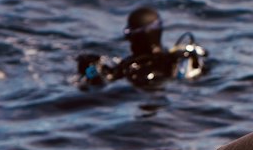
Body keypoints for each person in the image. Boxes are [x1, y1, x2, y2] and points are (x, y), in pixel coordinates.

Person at [77, 6, 207, 89]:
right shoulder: (178, 58)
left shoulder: (131, 69)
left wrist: (88, 69)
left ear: (136, 36)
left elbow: (98, 85)